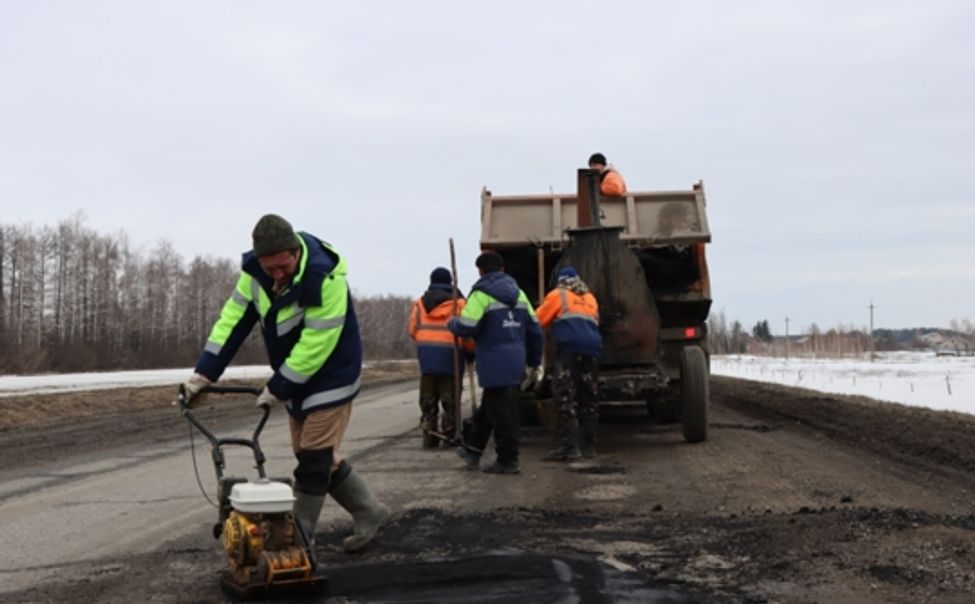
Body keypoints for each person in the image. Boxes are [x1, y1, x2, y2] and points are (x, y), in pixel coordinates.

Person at [180, 214, 389, 555]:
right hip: (297, 377)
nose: (277, 275)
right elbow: (231, 323)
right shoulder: (254, 276)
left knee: (314, 458)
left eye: (283, 266)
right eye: (270, 268)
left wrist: (278, 387)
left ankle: (297, 543)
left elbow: (316, 345)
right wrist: (204, 374)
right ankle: (369, 510)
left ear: (296, 252)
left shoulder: (325, 277)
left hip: (333, 373)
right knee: (310, 455)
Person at [448, 251, 543, 474]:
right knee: (491, 405)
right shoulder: (520, 294)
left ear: (480, 271)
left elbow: (468, 326)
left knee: (502, 412)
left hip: (492, 359)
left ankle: (508, 460)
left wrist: (453, 324)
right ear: (503, 269)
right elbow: (535, 330)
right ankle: (473, 450)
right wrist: (533, 361)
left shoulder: (480, 294)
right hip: (516, 359)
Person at [535, 266, 603, 460]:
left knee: (565, 397)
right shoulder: (590, 298)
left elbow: (538, 320)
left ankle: (570, 447)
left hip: (569, 352)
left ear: (561, 281)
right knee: (589, 398)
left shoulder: (558, 295)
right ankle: (589, 448)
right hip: (592, 352)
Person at [408, 267, 473, 448]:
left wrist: (427, 341)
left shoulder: (420, 304)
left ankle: (429, 433)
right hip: (451, 357)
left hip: (427, 358)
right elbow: (467, 333)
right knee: (450, 397)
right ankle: (450, 431)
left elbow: (412, 330)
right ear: (450, 281)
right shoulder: (459, 304)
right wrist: (470, 351)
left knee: (428, 397)